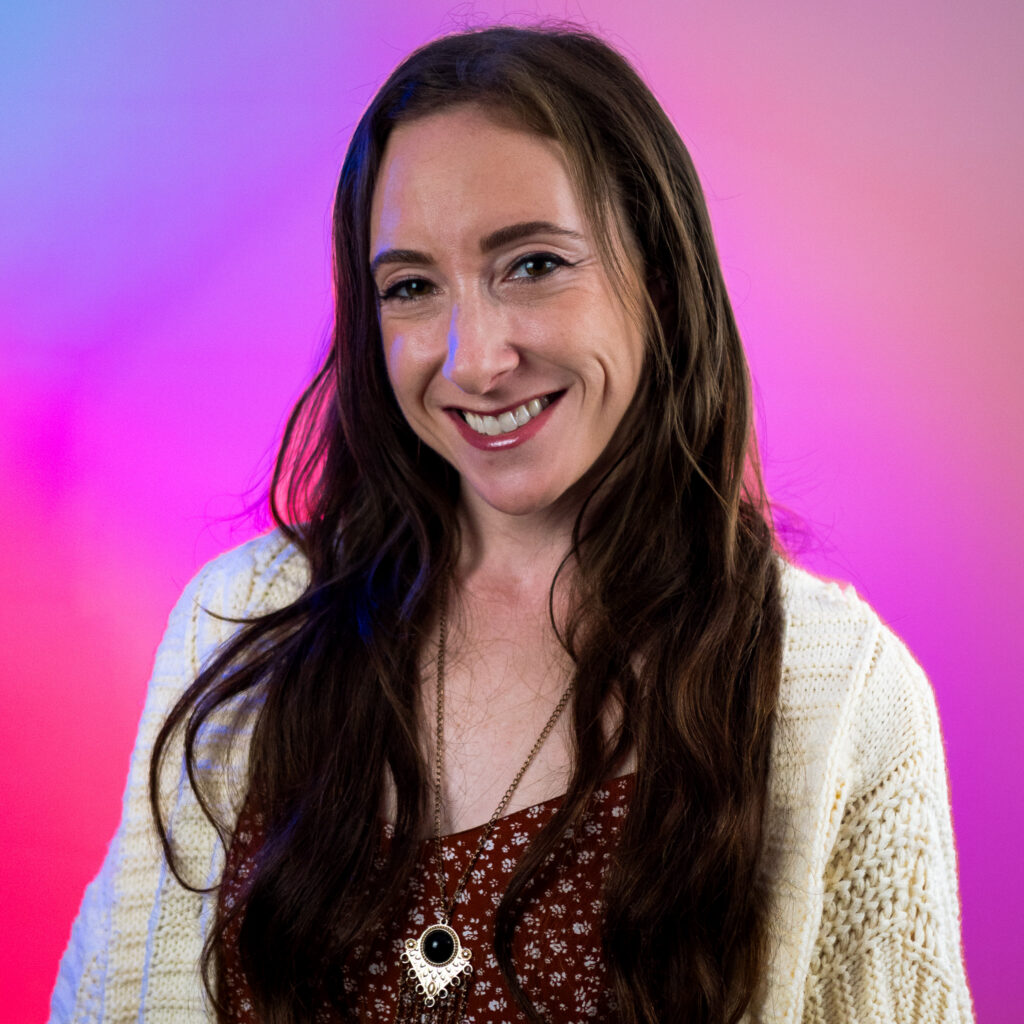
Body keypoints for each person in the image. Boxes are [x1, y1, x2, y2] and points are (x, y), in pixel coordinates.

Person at [50, 24, 973, 1024]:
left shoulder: (844, 698)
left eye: (531, 264)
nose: (474, 358)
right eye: (410, 286)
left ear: (655, 276)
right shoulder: (233, 625)